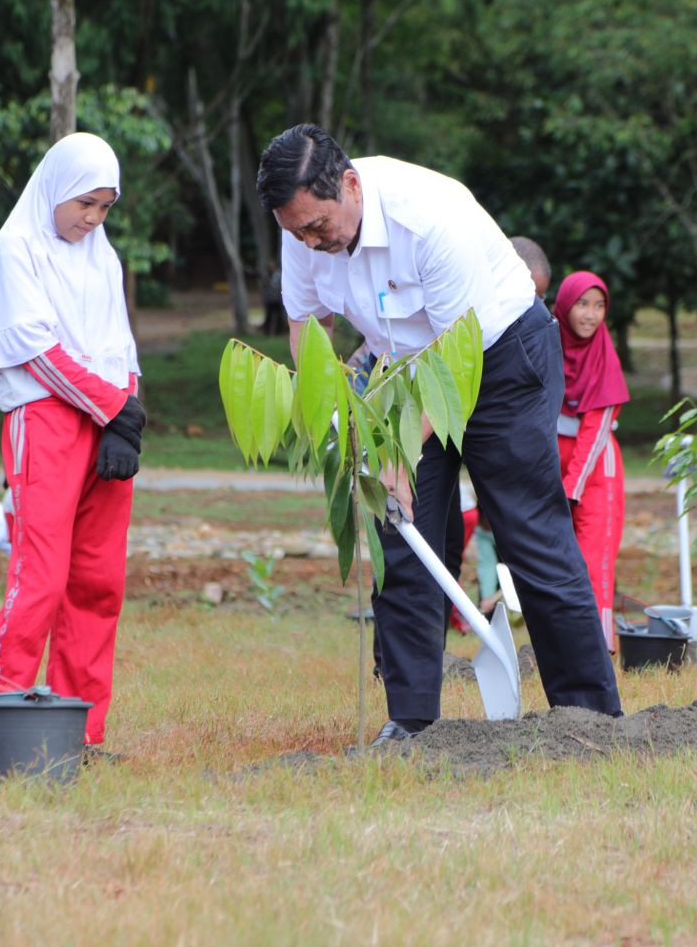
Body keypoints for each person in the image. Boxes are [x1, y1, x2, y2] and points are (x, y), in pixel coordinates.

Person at [258, 123, 620, 745]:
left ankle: (588, 718)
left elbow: (456, 363)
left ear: (349, 185)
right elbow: (307, 334)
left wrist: (401, 448)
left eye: (318, 226)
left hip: (500, 359)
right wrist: (338, 421)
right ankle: (413, 721)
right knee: (402, 535)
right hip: (399, 368)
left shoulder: (427, 219)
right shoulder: (302, 230)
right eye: (298, 233)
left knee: (528, 529)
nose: (312, 243)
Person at [0, 132, 146, 774]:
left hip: (108, 422)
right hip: (46, 419)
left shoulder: (102, 256)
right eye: (85, 203)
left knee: (98, 582)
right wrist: (115, 406)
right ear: (56, 188)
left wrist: (123, 419)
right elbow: (35, 350)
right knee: (41, 581)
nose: (93, 218)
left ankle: (81, 735)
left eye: (105, 207)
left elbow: (121, 348)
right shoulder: (17, 243)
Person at [553, 271, 629, 652]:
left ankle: (600, 650)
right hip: (558, 470)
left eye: (600, 306)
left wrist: (571, 489)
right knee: (559, 563)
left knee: (594, 560)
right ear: (565, 305)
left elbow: (596, 431)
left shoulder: (603, 355)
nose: (591, 315)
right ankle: (568, 647)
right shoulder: (548, 343)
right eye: (583, 304)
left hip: (597, 471)